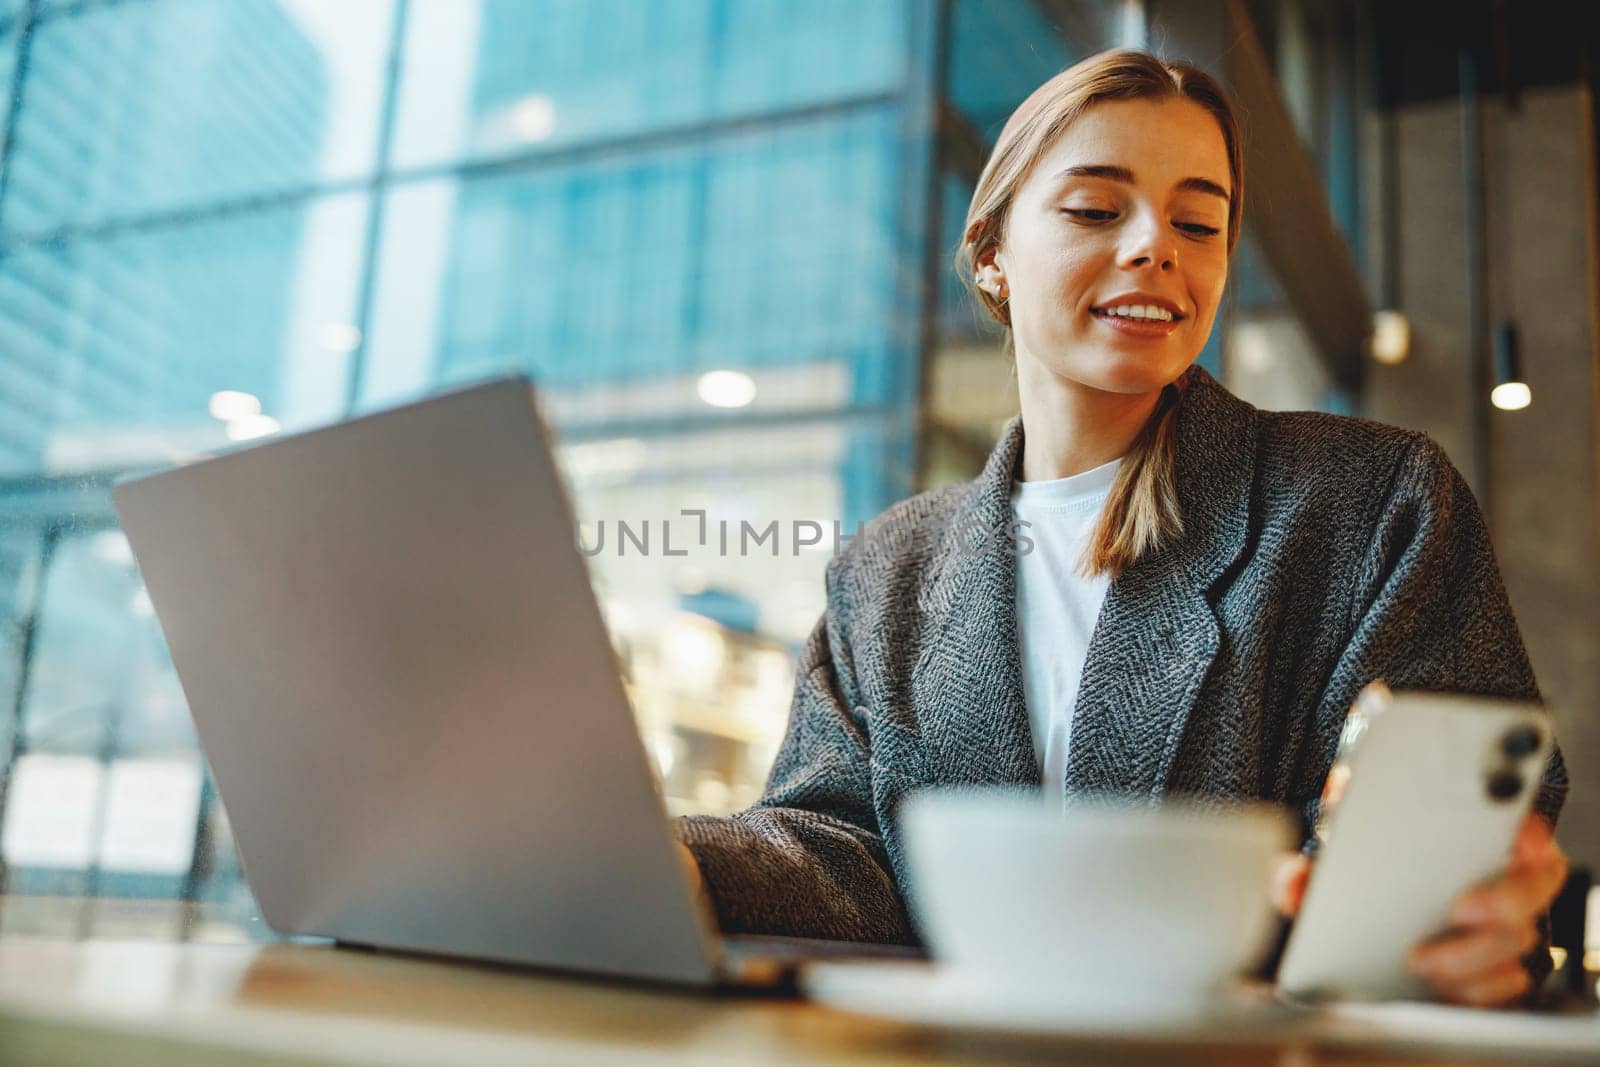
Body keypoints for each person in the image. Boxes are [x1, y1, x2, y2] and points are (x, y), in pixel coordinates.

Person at [671, 48, 1569, 1008]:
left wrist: (1465, 927)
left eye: (1198, 221)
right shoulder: (887, 567)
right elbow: (840, 847)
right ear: (993, 256)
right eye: (1098, 209)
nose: (1157, 246)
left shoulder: (1372, 500)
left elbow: (1436, 851)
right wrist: (664, 852)